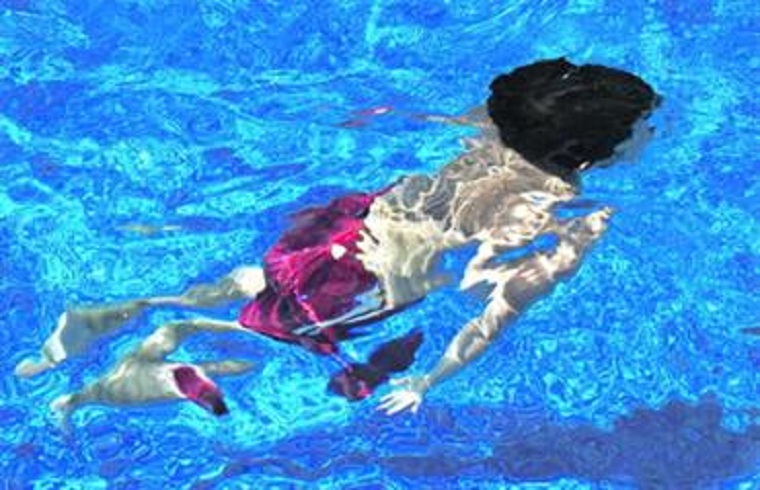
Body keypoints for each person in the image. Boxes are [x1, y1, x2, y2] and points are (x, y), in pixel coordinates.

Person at [15, 58, 659, 417]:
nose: (651, 136)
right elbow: (497, 307)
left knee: (232, 287)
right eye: (642, 131)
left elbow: (389, 117)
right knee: (241, 340)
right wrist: (427, 381)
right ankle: (80, 396)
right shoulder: (568, 211)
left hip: (345, 220)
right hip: (360, 284)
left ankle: (98, 325)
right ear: (585, 155)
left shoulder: (491, 125)